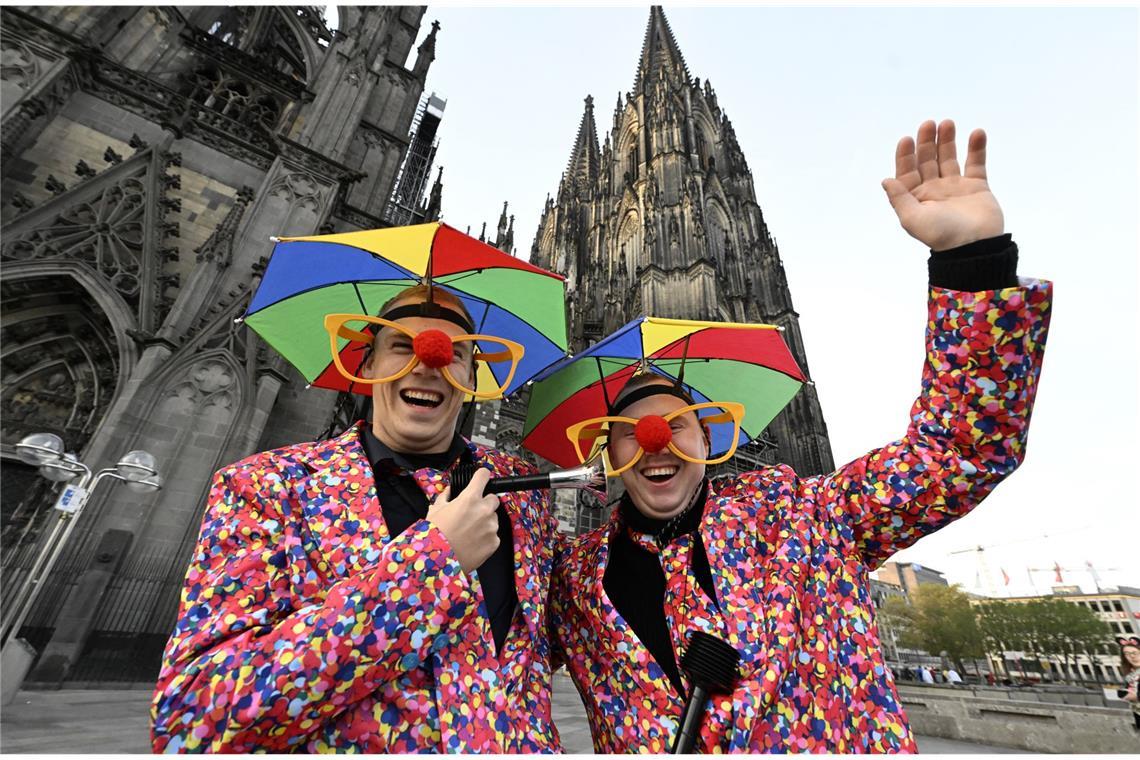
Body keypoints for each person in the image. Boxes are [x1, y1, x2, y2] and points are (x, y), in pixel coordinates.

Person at [550, 119, 1052, 752]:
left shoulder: (805, 518)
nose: (656, 441)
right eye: (631, 430)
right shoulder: (573, 581)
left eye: (679, 425)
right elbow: (467, 653)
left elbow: (959, 451)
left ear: (713, 438)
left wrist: (972, 266)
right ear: (607, 451)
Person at [151, 285, 563, 752]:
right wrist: (433, 564)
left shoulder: (524, 495)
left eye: (453, 352)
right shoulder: (265, 486)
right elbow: (192, 717)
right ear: (366, 364)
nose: (428, 362)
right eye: (402, 346)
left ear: (473, 373)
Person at [1118, 636, 1140, 731]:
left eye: (1134, 653)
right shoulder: (1130, 675)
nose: (1132, 657)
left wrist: (1137, 696)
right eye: (1127, 654)